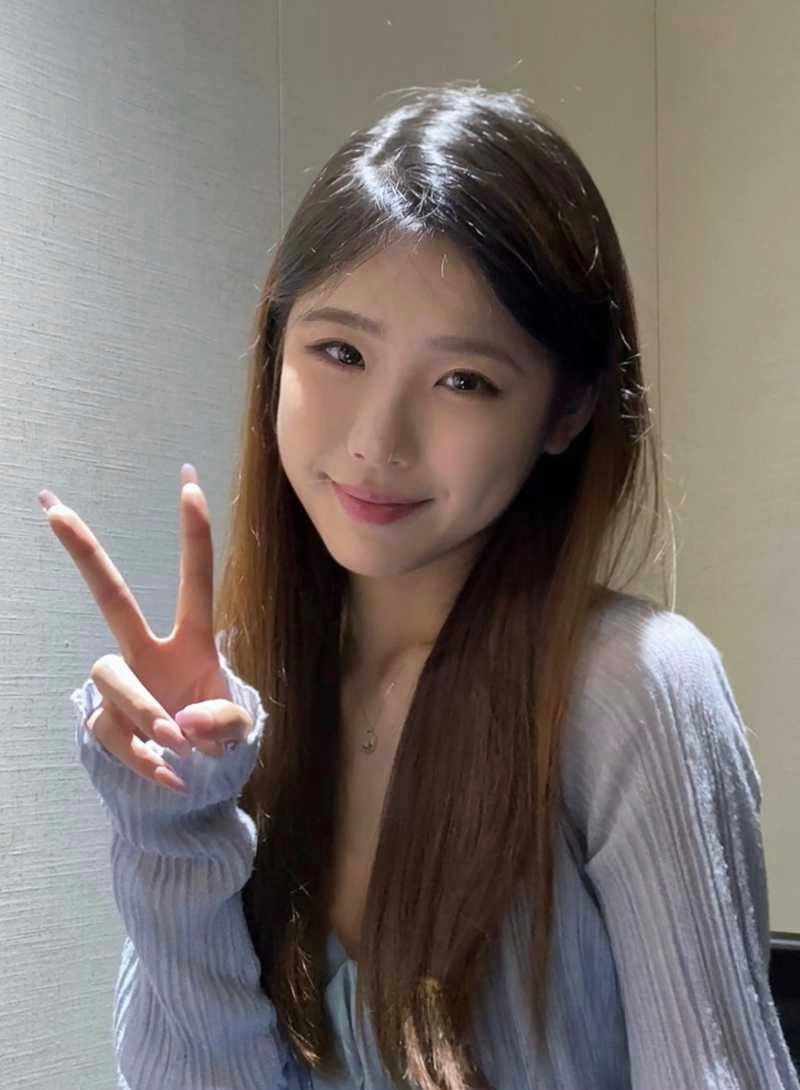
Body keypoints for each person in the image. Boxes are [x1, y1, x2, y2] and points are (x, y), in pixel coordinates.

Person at [41, 82, 798, 1090]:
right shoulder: (242, 701)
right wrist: (172, 823)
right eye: (340, 351)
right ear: (275, 350)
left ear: (568, 410)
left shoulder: (629, 692)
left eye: (463, 380)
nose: (375, 441)